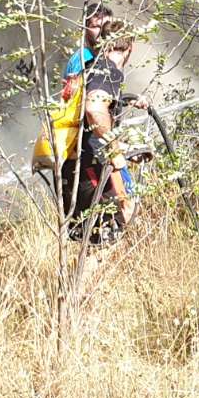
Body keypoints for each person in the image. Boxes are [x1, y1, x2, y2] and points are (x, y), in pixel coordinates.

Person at [56, 32, 139, 241]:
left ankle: (73, 275)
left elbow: (88, 126)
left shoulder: (87, 69)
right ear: (130, 49)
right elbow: (94, 110)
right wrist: (116, 151)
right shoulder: (109, 72)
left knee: (88, 241)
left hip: (70, 166)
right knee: (107, 239)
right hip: (90, 169)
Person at [59, 2, 114, 100]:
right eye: (96, 26)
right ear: (84, 29)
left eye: (107, 26)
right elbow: (74, 95)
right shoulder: (84, 57)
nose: (103, 31)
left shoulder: (108, 57)